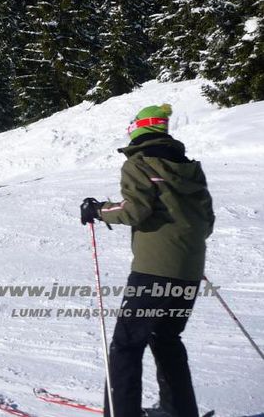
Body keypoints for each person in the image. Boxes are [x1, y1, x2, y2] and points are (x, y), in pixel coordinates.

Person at [79, 104, 214, 417]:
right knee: (167, 339)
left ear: (139, 129)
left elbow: (135, 209)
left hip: (153, 273)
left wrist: (98, 210)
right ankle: (180, 411)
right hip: (189, 272)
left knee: (126, 344)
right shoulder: (191, 169)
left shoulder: (139, 163)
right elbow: (205, 222)